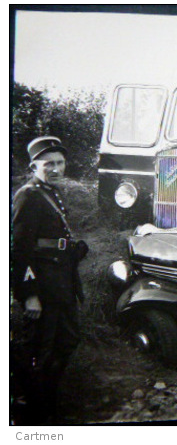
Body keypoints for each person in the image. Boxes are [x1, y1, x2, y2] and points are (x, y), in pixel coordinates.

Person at [11, 136, 88, 424]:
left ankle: (47, 402)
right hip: (44, 287)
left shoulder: (52, 192)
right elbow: (19, 250)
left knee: (67, 342)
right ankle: (33, 412)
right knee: (40, 350)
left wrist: (71, 250)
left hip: (62, 283)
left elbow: (49, 242)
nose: (56, 168)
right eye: (48, 164)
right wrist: (29, 294)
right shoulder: (28, 195)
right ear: (34, 166)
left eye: (60, 162)